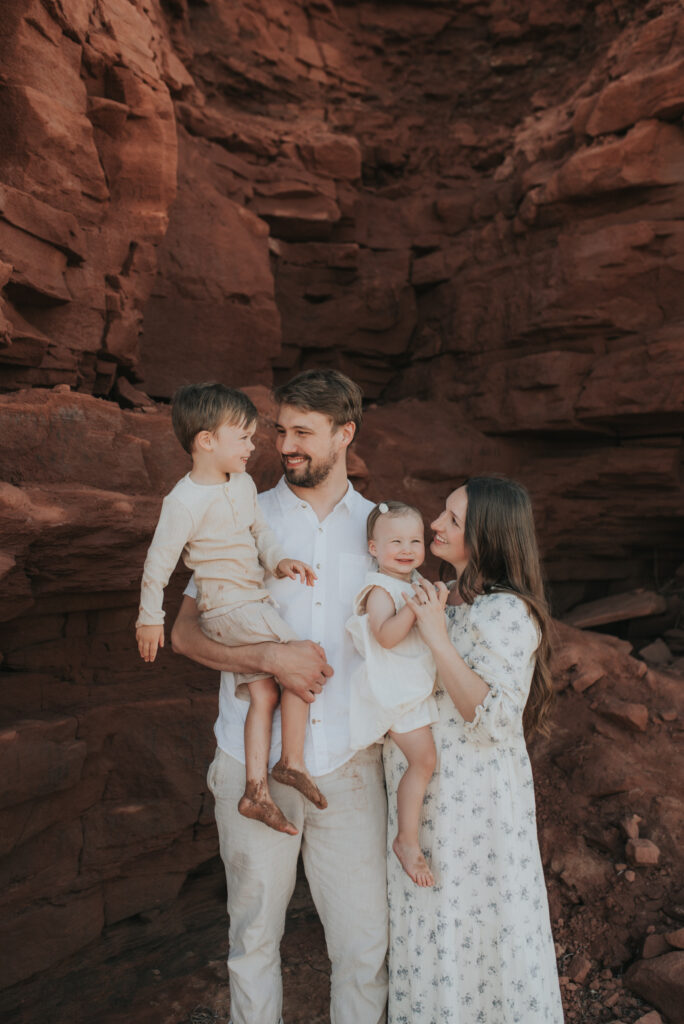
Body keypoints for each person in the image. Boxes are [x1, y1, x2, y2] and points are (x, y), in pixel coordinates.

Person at [170, 370, 389, 1024]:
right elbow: (184, 633)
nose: (285, 445)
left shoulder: (385, 529)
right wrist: (270, 657)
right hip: (252, 761)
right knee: (255, 936)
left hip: (351, 764)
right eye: (279, 430)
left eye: (303, 433)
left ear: (345, 434)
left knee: (363, 946)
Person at [385, 476, 564, 1024]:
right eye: (443, 512)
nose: (435, 525)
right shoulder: (453, 601)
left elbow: (493, 720)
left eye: (453, 520)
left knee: (475, 936)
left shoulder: (507, 613)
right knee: (431, 934)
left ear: (486, 536)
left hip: (474, 810)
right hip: (428, 804)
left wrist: (437, 636)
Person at [135, 383, 324, 835]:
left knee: (264, 693)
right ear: (206, 441)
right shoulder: (183, 502)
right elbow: (157, 565)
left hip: (250, 600)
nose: (253, 445)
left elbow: (259, 531)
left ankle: (255, 791)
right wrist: (149, 617)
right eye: (242, 437)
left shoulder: (241, 484)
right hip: (229, 607)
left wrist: (279, 560)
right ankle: (292, 762)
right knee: (306, 659)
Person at [346, 500, 438, 887]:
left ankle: (408, 836)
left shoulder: (410, 584)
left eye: (414, 541)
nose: (406, 549)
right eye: (395, 541)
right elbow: (385, 636)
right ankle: (407, 841)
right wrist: (415, 611)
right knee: (424, 761)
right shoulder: (380, 589)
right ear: (373, 549)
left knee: (425, 761)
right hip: (395, 688)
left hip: (410, 685)